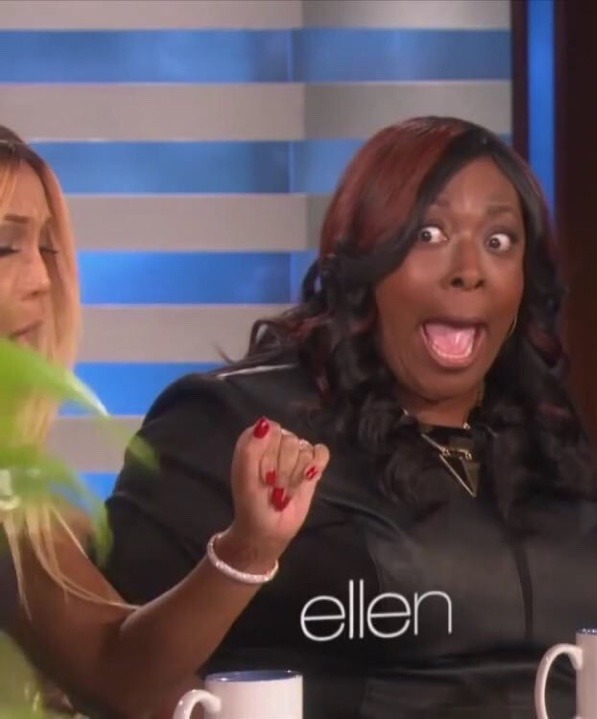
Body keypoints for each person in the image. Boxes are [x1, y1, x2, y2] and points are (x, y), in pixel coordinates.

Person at [98, 116, 597, 719]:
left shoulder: (547, 437)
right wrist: (247, 552)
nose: (469, 271)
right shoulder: (232, 422)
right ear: (363, 259)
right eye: (427, 235)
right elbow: (120, 680)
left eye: (499, 242)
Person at [0, 126, 330, 717]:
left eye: (46, 249)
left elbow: (128, 673)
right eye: (5, 247)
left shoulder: (27, 509)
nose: (42, 281)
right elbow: (120, 675)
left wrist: (251, 547)